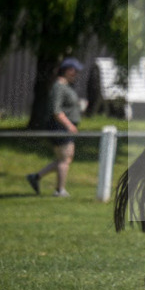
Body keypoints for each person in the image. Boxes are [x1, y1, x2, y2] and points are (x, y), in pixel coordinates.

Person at [27, 58, 84, 197]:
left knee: (65, 159)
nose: (76, 73)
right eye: (74, 70)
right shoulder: (59, 86)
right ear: (67, 70)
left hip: (65, 127)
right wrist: (69, 125)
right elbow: (56, 111)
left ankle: (36, 177)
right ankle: (60, 190)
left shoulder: (66, 87)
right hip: (60, 127)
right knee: (65, 159)